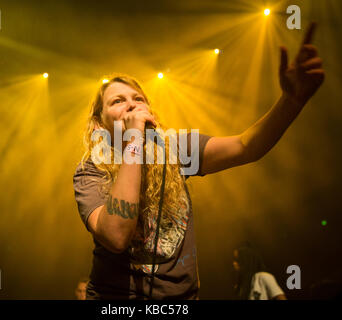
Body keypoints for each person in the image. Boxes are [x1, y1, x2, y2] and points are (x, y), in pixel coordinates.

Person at [73, 23, 324, 299]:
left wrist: (292, 101)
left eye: (138, 98)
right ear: (99, 124)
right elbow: (117, 236)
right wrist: (134, 142)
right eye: (117, 101)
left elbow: (246, 147)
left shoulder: (175, 149)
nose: (132, 104)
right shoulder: (90, 171)